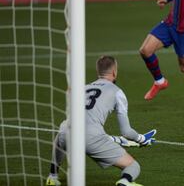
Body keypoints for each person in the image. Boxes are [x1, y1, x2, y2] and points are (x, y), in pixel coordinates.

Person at [45, 56, 156, 186]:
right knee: (133, 165)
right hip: (92, 138)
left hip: (66, 132)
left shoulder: (82, 88)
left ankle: (52, 176)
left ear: (98, 72)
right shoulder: (117, 92)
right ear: (114, 72)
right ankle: (124, 182)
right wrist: (141, 139)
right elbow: (126, 132)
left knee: (61, 135)